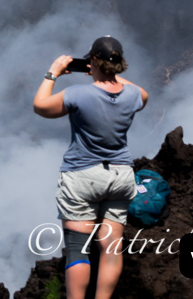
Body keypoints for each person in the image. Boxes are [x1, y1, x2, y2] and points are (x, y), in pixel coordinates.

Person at [32, 36, 149, 299]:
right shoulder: (132, 96)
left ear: (92, 61)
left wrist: (53, 72)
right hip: (120, 176)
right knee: (111, 247)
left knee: (77, 248)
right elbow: (143, 93)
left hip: (83, 176)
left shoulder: (78, 94)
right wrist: (109, 72)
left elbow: (40, 106)